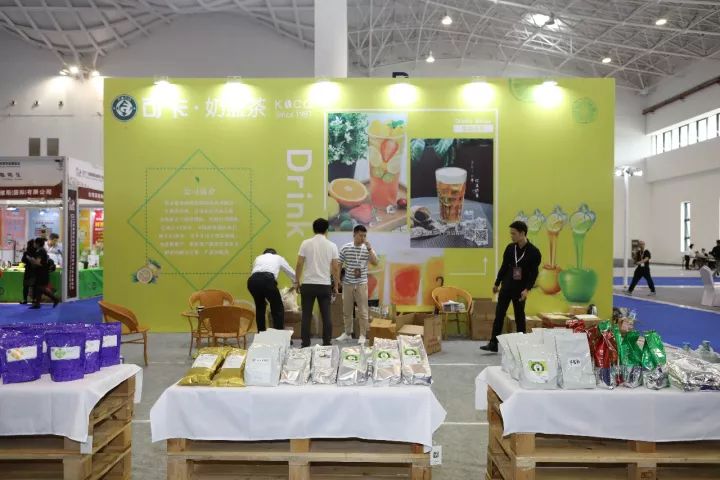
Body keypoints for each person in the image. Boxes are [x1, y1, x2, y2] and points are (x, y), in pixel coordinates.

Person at [481, 221, 541, 353]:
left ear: (522, 233)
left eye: (514, 233)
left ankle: (522, 345)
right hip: (506, 287)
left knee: (519, 316)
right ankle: (493, 343)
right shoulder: (510, 248)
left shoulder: (534, 252)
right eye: (511, 233)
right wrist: (497, 283)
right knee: (499, 315)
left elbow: (534, 274)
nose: (511, 236)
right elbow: (504, 267)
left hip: (520, 290)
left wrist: (527, 289)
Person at [294, 218, 341, 347]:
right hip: (324, 285)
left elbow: (299, 264)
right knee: (326, 316)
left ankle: (305, 344)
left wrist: (296, 281)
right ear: (326, 230)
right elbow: (335, 267)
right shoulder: (332, 245)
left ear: (313, 229)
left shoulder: (305, 243)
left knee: (306, 316)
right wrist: (336, 285)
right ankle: (326, 343)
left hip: (308, 284)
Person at [336, 225, 379, 345]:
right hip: (347, 283)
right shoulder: (345, 248)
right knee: (347, 310)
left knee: (363, 310)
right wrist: (337, 279)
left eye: (365, 236)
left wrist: (370, 249)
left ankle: (363, 335)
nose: (363, 238)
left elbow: (375, 262)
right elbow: (339, 264)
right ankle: (347, 333)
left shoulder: (367, 248)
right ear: (354, 234)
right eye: (361, 235)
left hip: (361, 284)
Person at [247, 248, 296, 331]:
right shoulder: (278, 257)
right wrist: (296, 283)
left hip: (252, 281)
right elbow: (290, 271)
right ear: (275, 254)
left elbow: (256, 272)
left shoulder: (258, 258)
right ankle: (278, 333)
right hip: (267, 280)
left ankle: (261, 333)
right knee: (277, 307)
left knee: (260, 307)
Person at [30, 237, 60, 309]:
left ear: (37, 244)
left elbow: (38, 263)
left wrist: (31, 260)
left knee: (41, 288)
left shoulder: (40, 251)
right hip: (43, 272)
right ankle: (37, 304)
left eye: (35, 243)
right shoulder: (43, 250)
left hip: (41, 273)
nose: (34, 244)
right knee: (39, 288)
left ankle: (55, 299)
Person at [20, 240, 37, 305]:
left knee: (26, 286)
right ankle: (33, 300)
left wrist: (28, 259)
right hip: (34, 270)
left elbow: (23, 260)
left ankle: (25, 300)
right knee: (34, 286)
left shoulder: (26, 252)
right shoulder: (36, 252)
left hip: (28, 271)